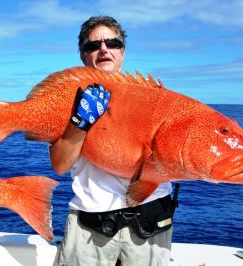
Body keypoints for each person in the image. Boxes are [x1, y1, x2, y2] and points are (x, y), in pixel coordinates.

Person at [52, 16, 176, 266]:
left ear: (123, 51)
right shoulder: (69, 99)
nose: (104, 49)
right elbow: (60, 165)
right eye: (93, 45)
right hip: (90, 225)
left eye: (112, 43)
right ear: (83, 54)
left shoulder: (156, 98)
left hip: (150, 223)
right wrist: (80, 123)